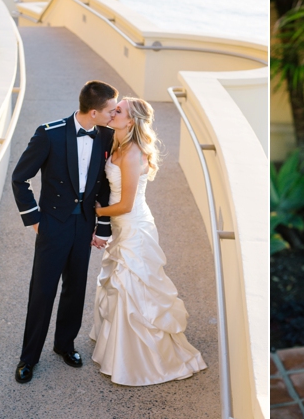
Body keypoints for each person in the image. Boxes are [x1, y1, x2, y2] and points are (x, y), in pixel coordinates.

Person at [89, 97, 206, 386]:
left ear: (131, 121)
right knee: (120, 283)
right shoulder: (116, 143)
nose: (112, 112)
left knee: (131, 286)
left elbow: (126, 205)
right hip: (121, 226)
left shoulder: (131, 153)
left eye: (119, 110)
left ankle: (143, 362)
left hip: (133, 226)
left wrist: (93, 212)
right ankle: (120, 353)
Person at [12, 80, 118, 383]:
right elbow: (20, 178)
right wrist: (34, 219)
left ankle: (64, 344)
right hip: (53, 225)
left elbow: (105, 185)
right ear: (95, 111)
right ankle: (28, 357)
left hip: (83, 224)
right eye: (111, 110)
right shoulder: (50, 133)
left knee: (75, 289)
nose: (114, 114)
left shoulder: (107, 136)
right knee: (42, 291)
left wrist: (102, 226)